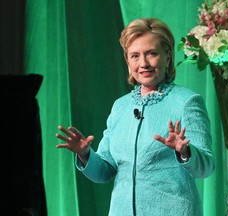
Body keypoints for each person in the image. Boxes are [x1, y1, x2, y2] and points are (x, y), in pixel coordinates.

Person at [56, 17, 215, 216]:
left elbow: (206, 167)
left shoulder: (187, 102)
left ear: (167, 55)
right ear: (127, 61)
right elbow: (105, 170)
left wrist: (185, 151)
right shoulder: (121, 107)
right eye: (135, 56)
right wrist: (85, 154)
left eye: (152, 54)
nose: (144, 63)